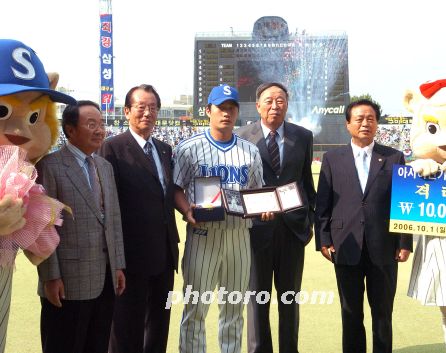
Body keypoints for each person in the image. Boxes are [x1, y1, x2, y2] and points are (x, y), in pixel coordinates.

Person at [173, 84, 268, 353]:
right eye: (221, 107)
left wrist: (265, 206)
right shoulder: (188, 147)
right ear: (208, 111)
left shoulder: (250, 151)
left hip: (240, 235)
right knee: (195, 308)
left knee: (234, 309)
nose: (226, 113)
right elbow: (175, 187)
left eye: (231, 108)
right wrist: (185, 210)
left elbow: (257, 191)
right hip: (203, 234)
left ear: (237, 112)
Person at [314, 99, 412, 353]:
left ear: (377, 123)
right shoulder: (332, 159)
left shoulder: (394, 157)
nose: (365, 123)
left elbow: (404, 203)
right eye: (359, 118)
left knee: (382, 314)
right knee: (351, 313)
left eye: (370, 118)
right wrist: (323, 239)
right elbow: (323, 202)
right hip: (345, 245)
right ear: (348, 124)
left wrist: (404, 242)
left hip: (384, 247)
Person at [37, 100, 126, 353]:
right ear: (70, 130)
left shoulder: (104, 167)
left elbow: (114, 220)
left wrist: (118, 264)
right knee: (64, 344)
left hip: (105, 278)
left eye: (101, 124)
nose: (100, 130)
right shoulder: (50, 166)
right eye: (91, 124)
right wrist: (51, 276)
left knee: (97, 344)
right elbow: (44, 226)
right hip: (68, 281)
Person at [236, 82, 316, 353]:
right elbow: (238, 185)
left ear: (287, 104)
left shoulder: (303, 137)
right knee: (257, 300)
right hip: (255, 230)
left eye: (280, 100)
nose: (275, 105)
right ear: (258, 105)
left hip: (293, 231)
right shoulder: (242, 136)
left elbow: (306, 182)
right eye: (269, 100)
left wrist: (309, 223)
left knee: (289, 299)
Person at [99, 84, 180, 353]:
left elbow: (167, 195)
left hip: (165, 254)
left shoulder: (165, 149)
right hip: (130, 258)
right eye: (141, 107)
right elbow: (107, 206)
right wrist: (115, 259)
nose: (147, 113)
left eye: (153, 107)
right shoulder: (112, 149)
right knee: (126, 329)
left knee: (159, 325)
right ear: (127, 111)